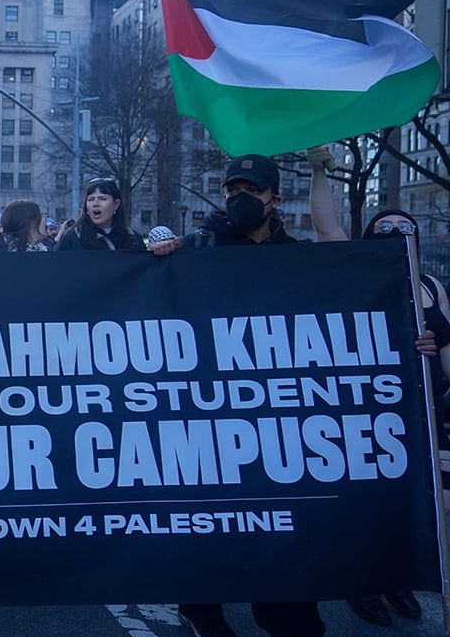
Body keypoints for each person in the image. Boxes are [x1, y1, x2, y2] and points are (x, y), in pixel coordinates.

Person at [174, 154, 324, 637]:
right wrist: (158, 256)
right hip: (206, 402)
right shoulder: (196, 244)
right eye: (231, 189)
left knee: (278, 511)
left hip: (273, 406)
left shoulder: (294, 250)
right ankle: (201, 605)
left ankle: (288, 612)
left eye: (251, 191)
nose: (239, 198)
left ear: (274, 199)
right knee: (206, 508)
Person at [307, 145, 440, 628]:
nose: (392, 235)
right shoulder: (355, 270)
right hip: (367, 415)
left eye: (402, 230)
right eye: (382, 230)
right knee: (361, 501)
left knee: (408, 505)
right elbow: (325, 225)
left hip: (420, 414)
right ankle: (361, 582)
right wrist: (320, 168)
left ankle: (396, 576)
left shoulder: (430, 287)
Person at [58, 178, 147, 251]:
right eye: (91, 199)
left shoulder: (133, 239)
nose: (95, 203)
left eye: (103, 199)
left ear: (116, 204)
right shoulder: (72, 238)